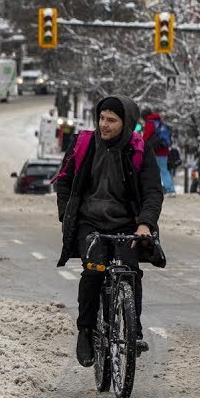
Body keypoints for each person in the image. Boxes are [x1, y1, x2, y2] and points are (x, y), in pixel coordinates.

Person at [55, 95, 164, 366]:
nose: (104, 125)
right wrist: (67, 215)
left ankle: (132, 331)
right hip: (89, 223)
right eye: (102, 118)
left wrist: (145, 224)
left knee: (130, 272)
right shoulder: (83, 144)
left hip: (127, 224)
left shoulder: (140, 150)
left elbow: (152, 191)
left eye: (111, 120)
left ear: (125, 123)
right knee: (94, 270)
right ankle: (86, 331)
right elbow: (64, 182)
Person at [140, 107, 176, 195]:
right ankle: (168, 189)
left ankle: (170, 190)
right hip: (164, 150)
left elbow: (145, 138)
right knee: (163, 170)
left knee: (158, 171)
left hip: (156, 152)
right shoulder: (159, 122)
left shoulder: (150, 123)